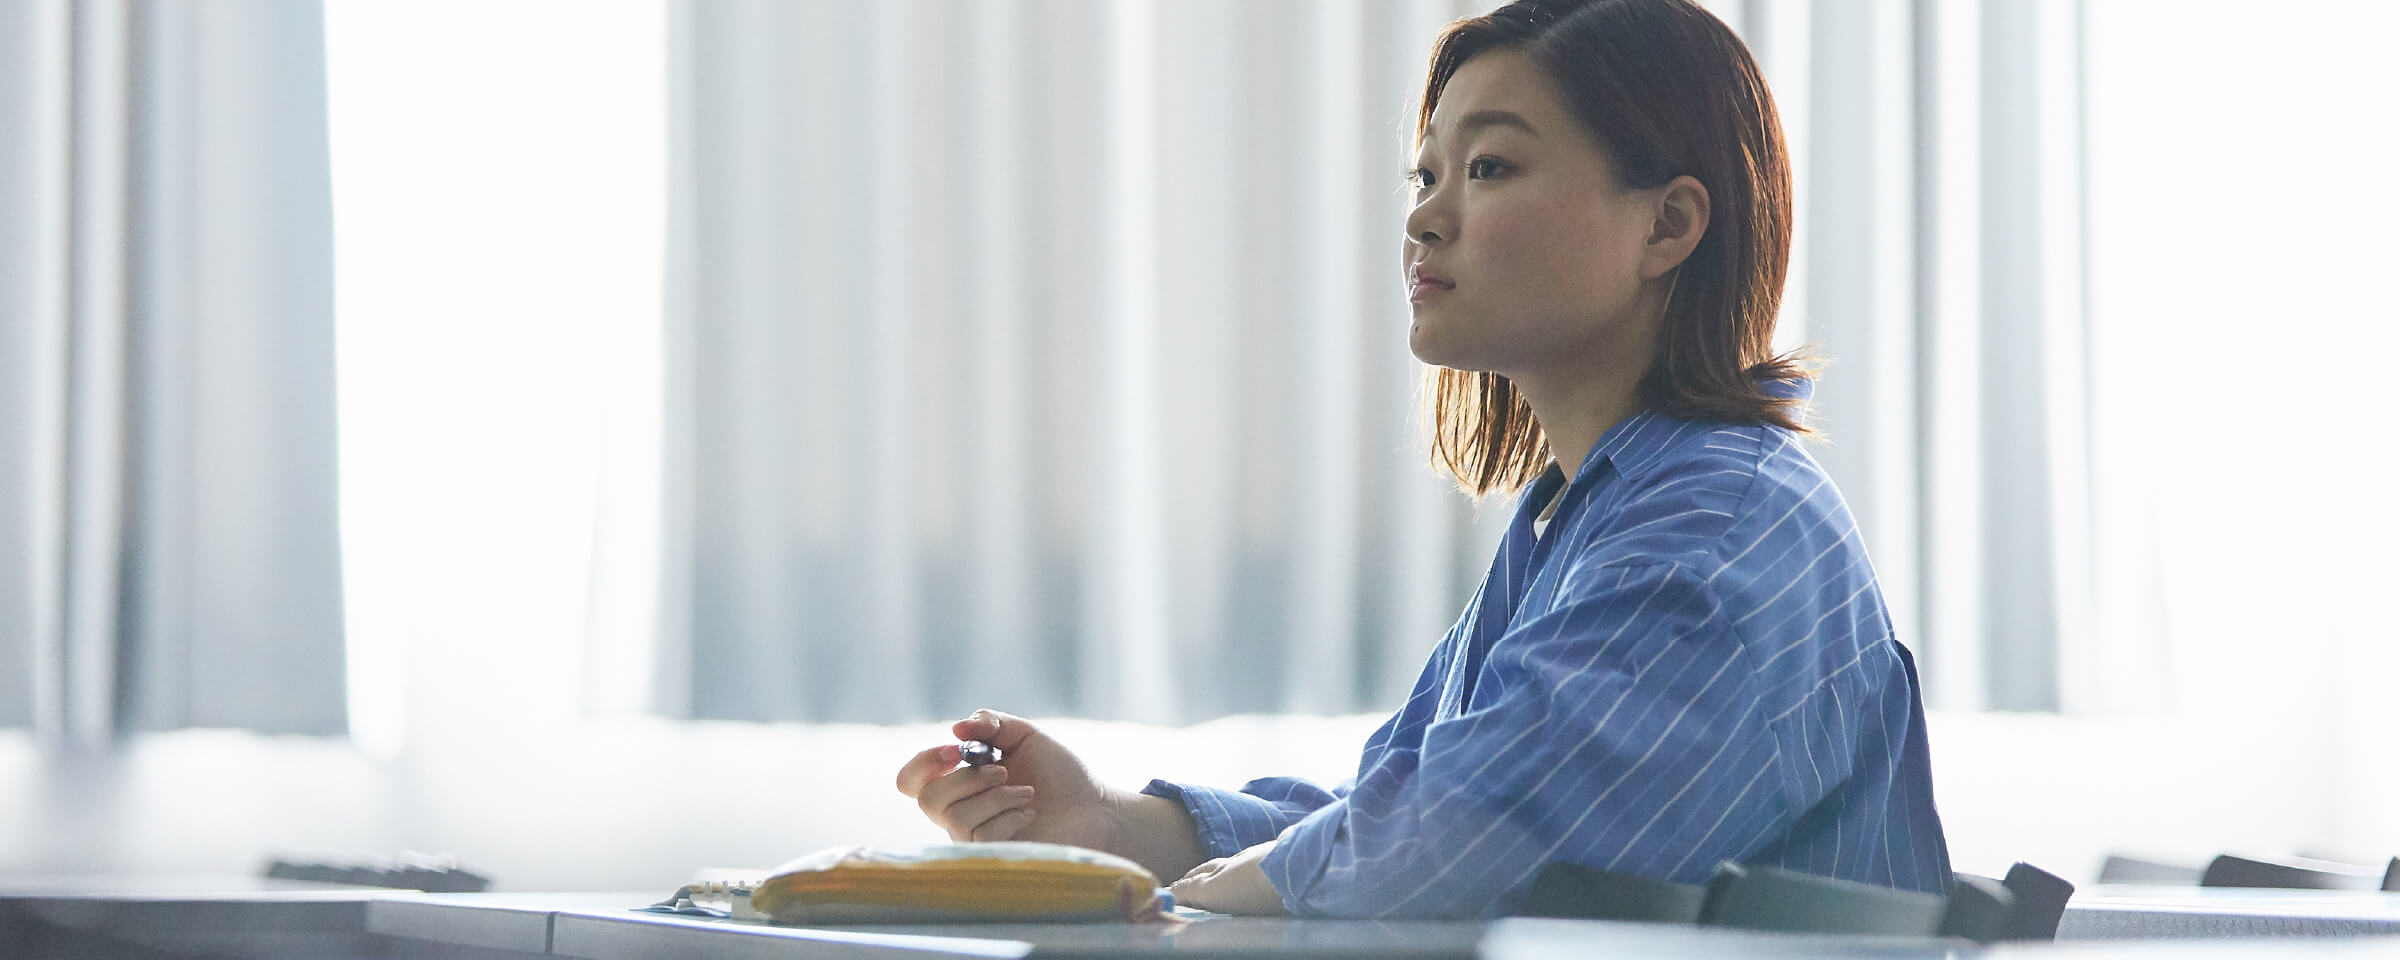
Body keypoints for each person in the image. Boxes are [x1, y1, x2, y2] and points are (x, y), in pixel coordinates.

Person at [894, 0, 1950, 919]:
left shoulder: (1714, 533)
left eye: (1489, 167)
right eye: (1428, 170)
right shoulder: (1587, 519)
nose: (1423, 217)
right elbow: (1392, 807)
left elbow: (1459, 845)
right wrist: (1112, 826)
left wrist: (1216, 884)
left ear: (1668, 224)